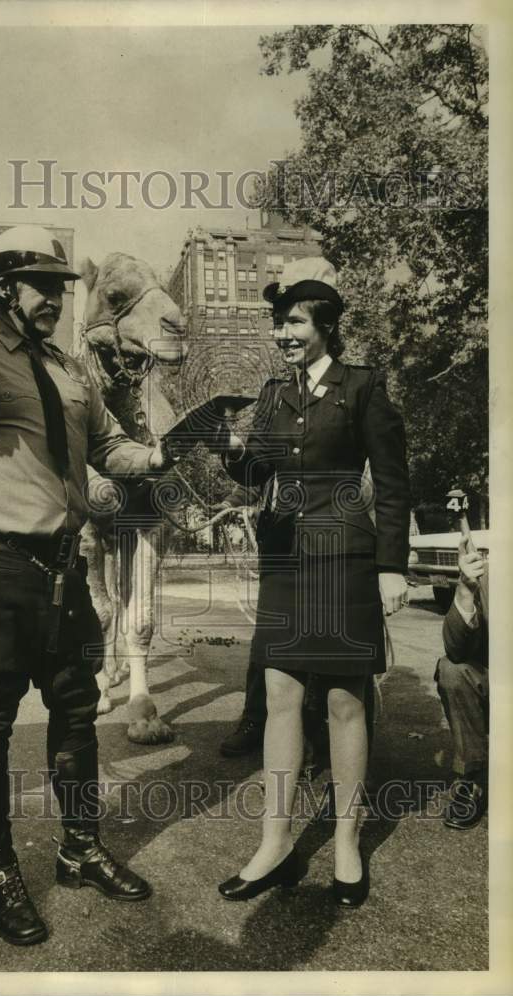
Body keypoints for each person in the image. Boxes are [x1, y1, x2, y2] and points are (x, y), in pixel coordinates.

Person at [0, 225, 173, 947]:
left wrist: (169, 451)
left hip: (63, 570)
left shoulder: (69, 369)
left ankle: (79, 848)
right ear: (4, 288)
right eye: (42, 286)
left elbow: (108, 447)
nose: (55, 299)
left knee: (77, 714)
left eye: (60, 287)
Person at [218, 257, 410, 907]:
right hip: (286, 561)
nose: (283, 334)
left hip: (345, 556)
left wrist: (390, 567)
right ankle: (274, 844)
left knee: (343, 702)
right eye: (279, 324)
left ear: (325, 324)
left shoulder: (363, 388)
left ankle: (349, 844)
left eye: (294, 322)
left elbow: (392, 484)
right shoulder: (274, 394)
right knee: (279, 697)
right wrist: (232, 450)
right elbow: (253, 477)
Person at [435, 535, 488, 829]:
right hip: (497, 687)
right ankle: (473, 777)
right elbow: (455, 650)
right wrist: (466, 589)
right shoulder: (488, 569)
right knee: (452, 670)